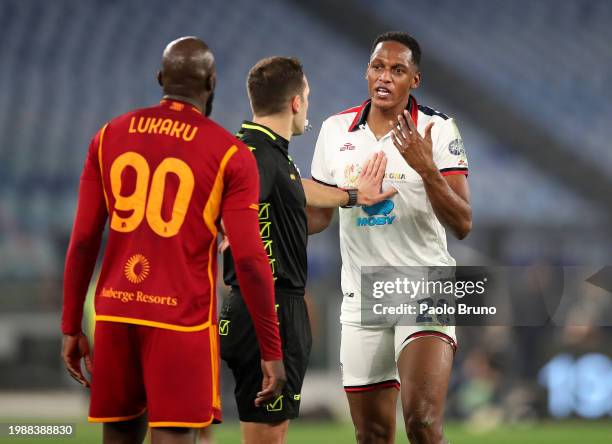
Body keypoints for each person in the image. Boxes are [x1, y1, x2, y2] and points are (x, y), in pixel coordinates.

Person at [61, 36, 286, 444]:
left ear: (160, 78)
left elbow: (82, 242)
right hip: (181, 319)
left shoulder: (108, 136)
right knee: (175, 438)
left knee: (119, 436)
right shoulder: (230, 155)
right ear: (212, 82)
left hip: (116, 314)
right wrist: (271, 349)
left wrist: (70, 324)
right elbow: (251, 261)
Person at [219, 56, 396, 444]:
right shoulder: (257, 156)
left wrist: (352, 195)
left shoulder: (260, 151)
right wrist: (225, 223)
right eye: (308, 98)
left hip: (252, 307)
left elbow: (294, 186)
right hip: (271, 308)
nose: (308, 107)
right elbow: (243, 196)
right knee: (267, 435)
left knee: (261, 430)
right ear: (296, 102)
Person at [309, 32, 472, 444]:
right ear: (367, 72)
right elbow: (316, 218)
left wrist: (426, 167)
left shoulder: (437, 129)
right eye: (377, 67)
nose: (384, 77)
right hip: (363, 294)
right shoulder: (334, 130)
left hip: (425, 286)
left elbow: (463, 223)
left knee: (421, 421)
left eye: (397, 70)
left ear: (414, 79)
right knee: (373, 433)